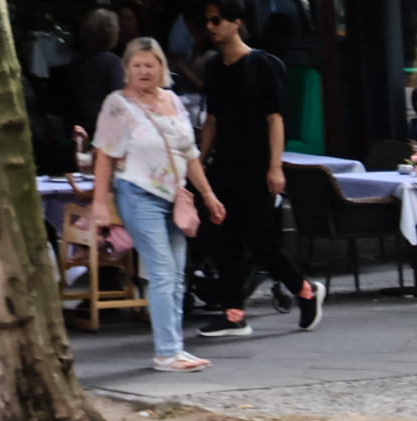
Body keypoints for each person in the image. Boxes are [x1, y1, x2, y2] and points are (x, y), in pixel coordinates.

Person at [90, 35, 224, 372]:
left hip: (175, 197)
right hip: (137, 193)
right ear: (127, 69)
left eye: (150, 64)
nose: (143, 71)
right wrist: (100, 202)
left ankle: (175, 347)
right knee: (162, 271)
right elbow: (104, 154)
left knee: (177, 275)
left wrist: (208, 195)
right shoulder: (117, 104)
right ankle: (166, 351)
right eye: (136, 65)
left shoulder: (174, 102)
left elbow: (190, 154)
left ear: (161, 67)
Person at [192, 0, 319, 339]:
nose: (211, 26)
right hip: (225, 167)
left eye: (217, 19)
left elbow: (275, 118)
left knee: (261, 241)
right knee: (225, 241)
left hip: (257, 166)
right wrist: (200, 162)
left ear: (237, 22)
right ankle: (234, 315)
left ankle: (305, 290)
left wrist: (275, 167)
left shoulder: (261, 65)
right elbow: (212, 120)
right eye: (207, 20)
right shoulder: (215, 67)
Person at [69, 8, 125, 134]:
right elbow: (121, 99)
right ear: (111, 32)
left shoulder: (76, 58)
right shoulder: (112, 62)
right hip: (102, 126)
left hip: (77, 123)